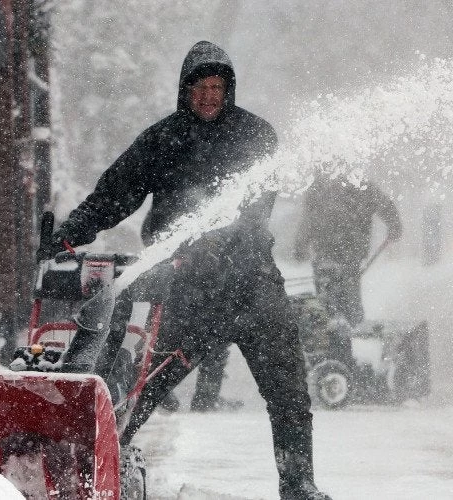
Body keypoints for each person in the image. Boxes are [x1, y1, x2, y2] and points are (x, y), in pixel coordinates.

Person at [36, 41, 331, 500]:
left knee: (289, 393)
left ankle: (300, 486)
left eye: (218, 87)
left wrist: (222, 244)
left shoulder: (257, 136)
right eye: (201, 87)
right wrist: (72, 233)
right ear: (185, 89)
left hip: (253, 287)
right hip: (188, 292)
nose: (210, 96)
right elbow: (116, 194)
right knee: (140, 390)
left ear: (229, 90)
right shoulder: (162, 139)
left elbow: (257, 207)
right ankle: (100, 478)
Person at [293, 176, 403, 325]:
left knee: (327, 299)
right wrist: (394, 225)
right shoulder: (359, 184)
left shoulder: (318, 187)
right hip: (349, 251)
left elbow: (307, 218)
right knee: (349, 295)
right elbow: (385, 204)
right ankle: (350, 326)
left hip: (328, 251)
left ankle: (332, 329)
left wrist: (300, 245)